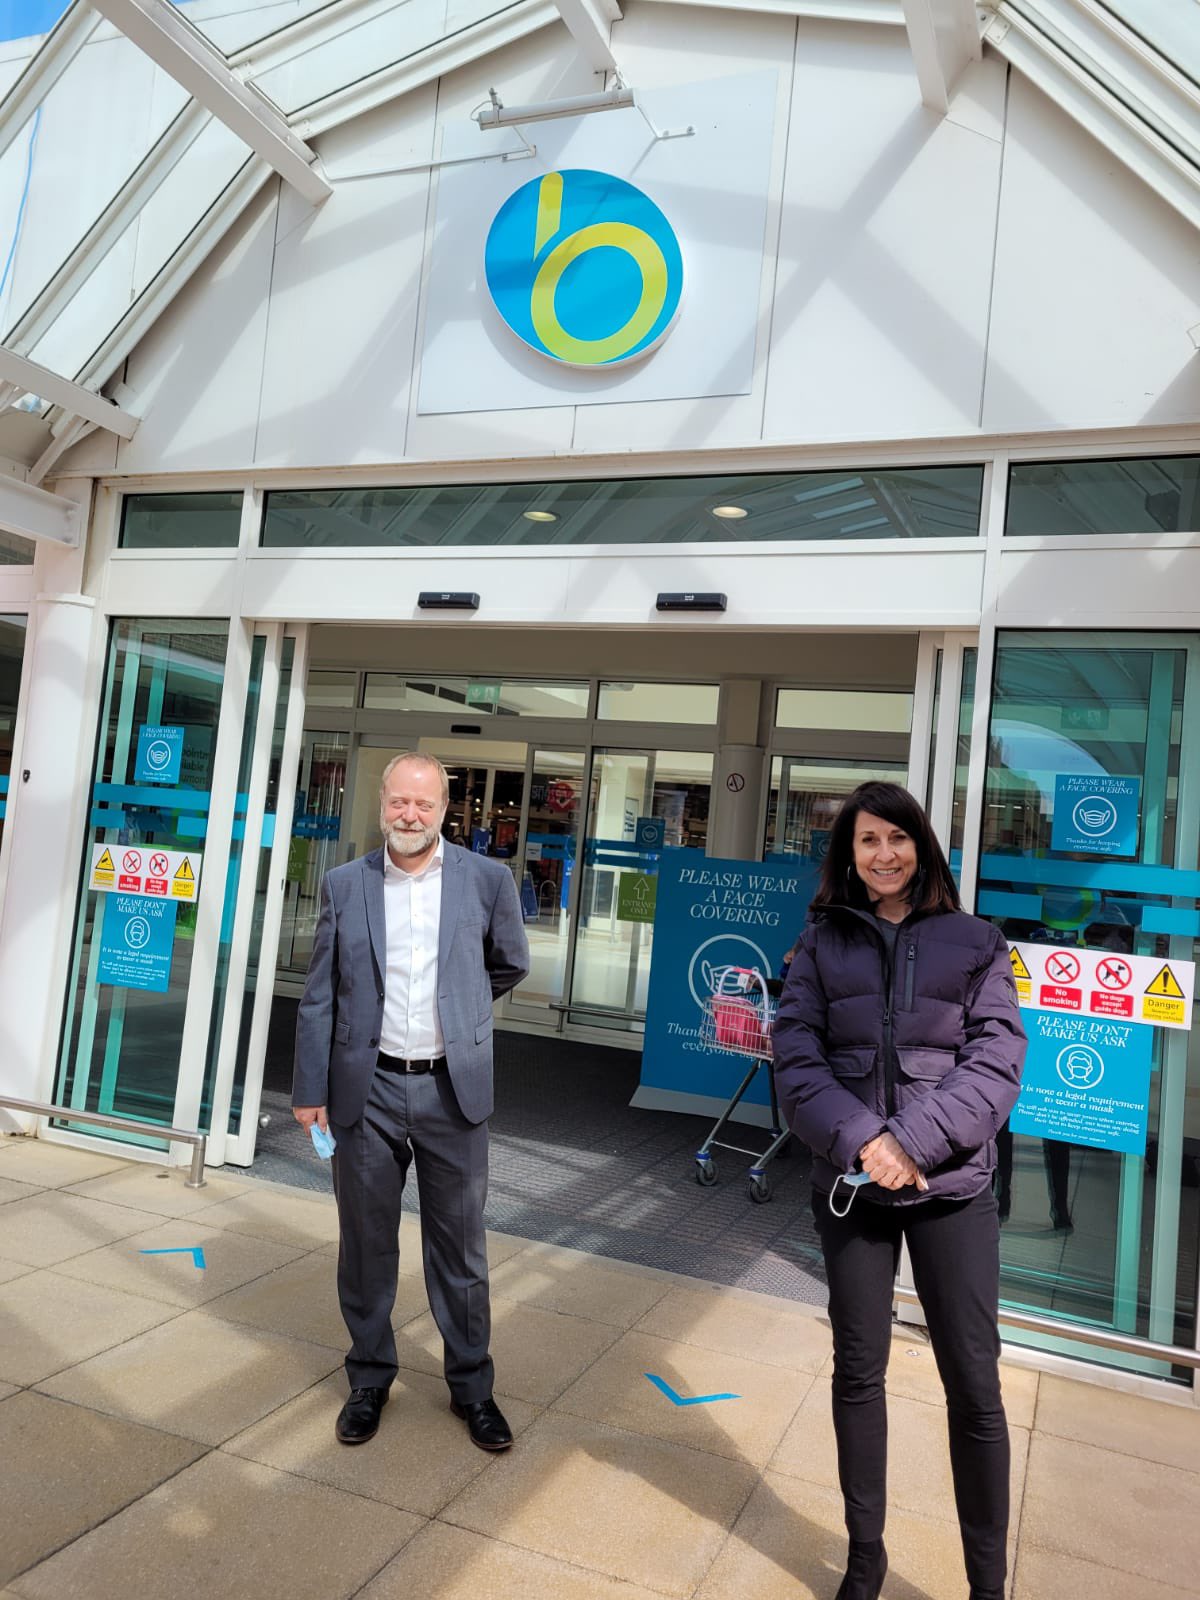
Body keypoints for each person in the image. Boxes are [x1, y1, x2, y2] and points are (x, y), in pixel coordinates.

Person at [772, 782, 1026, 1600]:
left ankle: (986, 1584)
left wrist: (911, 1143)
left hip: (952, 1190)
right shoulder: (818, 945)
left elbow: (996, 1065)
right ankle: (864, 1557)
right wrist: (865, 1144)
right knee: (858, 1373)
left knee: (974, 1385)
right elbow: (797, 1062)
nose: (885, 855)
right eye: (867, 841)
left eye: (898, 838)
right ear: (848, 854)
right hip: (852, 1191)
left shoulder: (977, 941)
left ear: (923, 845)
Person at [292, 752, 530, 1450]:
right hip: (364, 1091)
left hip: (452, 1091)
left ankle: (473, 1389)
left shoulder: (486, 880)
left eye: (424, 805)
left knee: (461, 1250)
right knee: (366, 1245)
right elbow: (320, 996)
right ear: (382, 804)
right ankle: (369, 1379)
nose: (410, 816)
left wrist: (462, 1008)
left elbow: (510, 960)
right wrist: (310, 1089)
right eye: (399, 802)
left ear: (445, 810)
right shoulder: (345, 884)